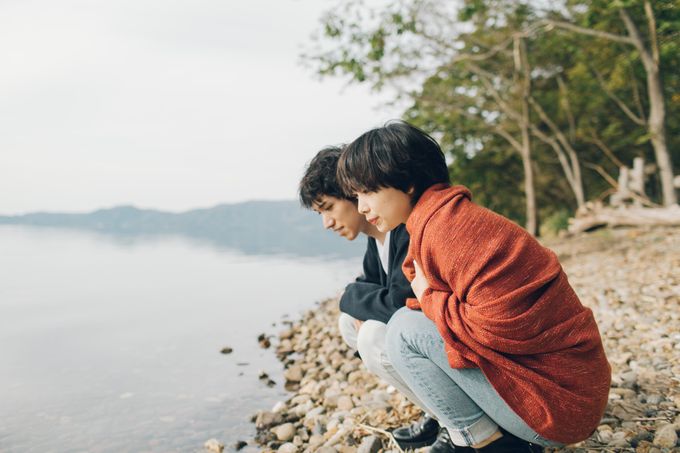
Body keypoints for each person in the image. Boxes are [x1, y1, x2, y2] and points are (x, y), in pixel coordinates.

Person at [336, 121, 611, 452]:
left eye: (367, 192)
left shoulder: (450, 230)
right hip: (561, 394)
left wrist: (426, 296)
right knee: (406, 324)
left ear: (406, 182)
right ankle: (479, 434)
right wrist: (429, 298)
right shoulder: (440, 220)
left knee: (404, 330)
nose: (362, 207)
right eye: (356, 196)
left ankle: (487, 443)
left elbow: (498, 327)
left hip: (559, 409)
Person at [299, 146, 450, 449]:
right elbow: (370, 286)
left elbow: (400, 303)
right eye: (320, 213)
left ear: (351, 192)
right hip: (429, 340)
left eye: (328, 207)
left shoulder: (404, 228)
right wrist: (356, 301)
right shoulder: (377, 239)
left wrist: (348, 296)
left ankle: (460, 425)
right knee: (350, 323)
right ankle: (439, 413)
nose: (326, 223)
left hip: (451, 339)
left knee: (371, 334)